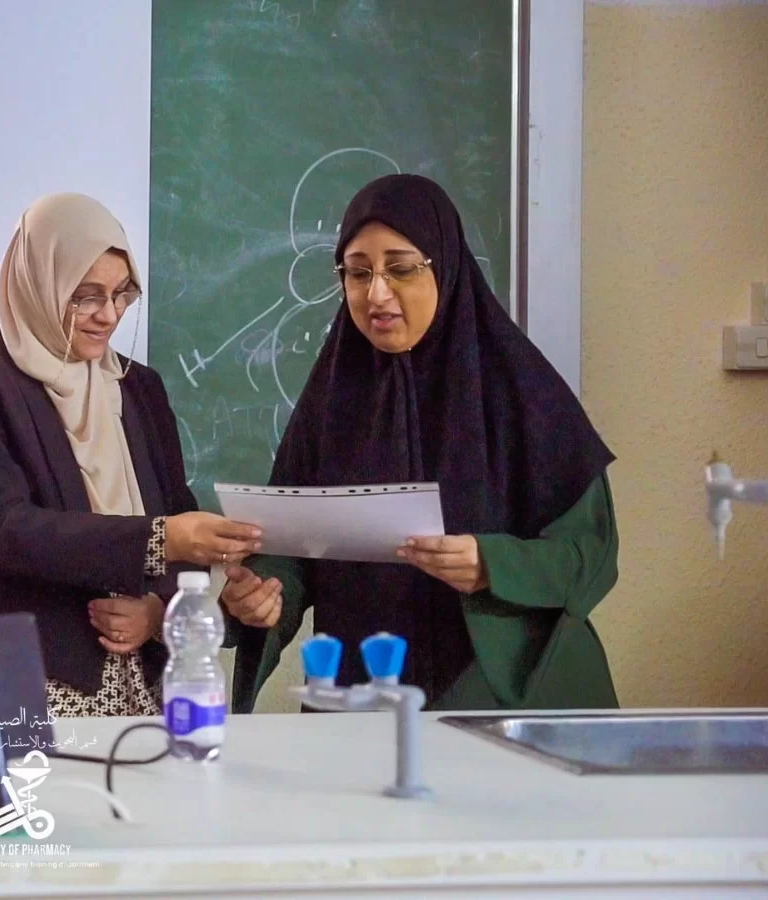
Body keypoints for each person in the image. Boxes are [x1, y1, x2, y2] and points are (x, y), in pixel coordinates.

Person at [223, 174, 620, 712]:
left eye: (402, 268)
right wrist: (265, 595)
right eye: (357, 272)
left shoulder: (524, 394)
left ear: (445, 267)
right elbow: (294, 549)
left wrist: (491, 564)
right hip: (360, 702)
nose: (376, 293)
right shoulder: (332, 398)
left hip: (506, 703)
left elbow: (591, 557)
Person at [0, 192, 263, 718]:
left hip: (139, 691)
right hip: (15, 684)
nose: (109, 314)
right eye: (86, 296)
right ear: (39, 283)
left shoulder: (138, 388)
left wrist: (157, 610)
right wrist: (162, 539)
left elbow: (177, 512)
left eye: (122, 294)